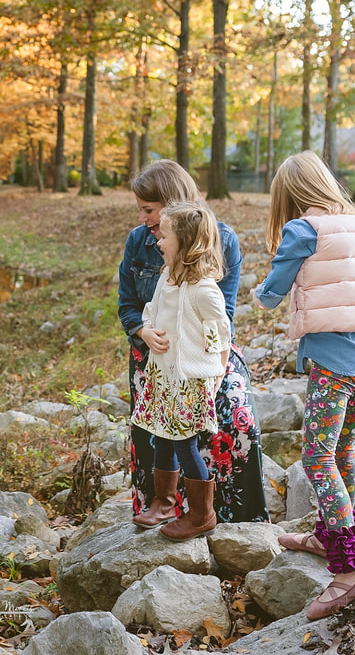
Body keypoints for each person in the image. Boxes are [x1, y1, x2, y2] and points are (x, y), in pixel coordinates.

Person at [252, 151, 355, 619]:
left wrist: (258, 295)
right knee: (344, 451)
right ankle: (328, 534)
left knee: (317, 456)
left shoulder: (302, 230)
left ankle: (351, 566)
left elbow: (271, 292)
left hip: (331, 361)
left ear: (289, 196)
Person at [118, 159, 268, 528]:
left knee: (236, 418)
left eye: (148, 210)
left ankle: (234, 517)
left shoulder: (221, 238)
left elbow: (222, 317)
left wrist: (215, 368)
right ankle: (163, 503)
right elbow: (130, 305)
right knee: (156, 428)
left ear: (170, 205)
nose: (143, 220)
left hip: (205, 354)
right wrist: (142, 331)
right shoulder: (141, 241)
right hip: (155, 355)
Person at [130, 201, 232, 540]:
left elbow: (221, 337)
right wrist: (147, 330)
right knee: (161, 435)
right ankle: (164, 501)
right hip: (163, 376)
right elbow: (150, 311)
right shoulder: (167, 277)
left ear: (185, 243)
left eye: (166, 235)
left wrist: (213, 378)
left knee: (185, 443)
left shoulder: (204, 291)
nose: (158, 240)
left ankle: (202, 514)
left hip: (189, 380)